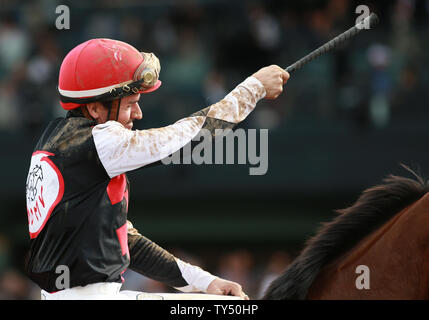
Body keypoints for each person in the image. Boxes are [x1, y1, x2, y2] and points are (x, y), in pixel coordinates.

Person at [24, 38, 289, 300]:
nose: (138, 114)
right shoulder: (98, 142)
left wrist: (205, 282)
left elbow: (127, 243)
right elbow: (188, 138)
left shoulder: (55, 145)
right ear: (94, 108)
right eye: (130, 104)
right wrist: (253, 89)